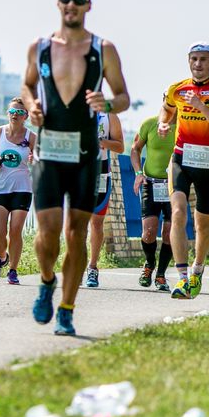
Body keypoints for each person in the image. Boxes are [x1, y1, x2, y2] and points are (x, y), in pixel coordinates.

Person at [21, 0, 129, 336]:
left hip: (85, 154)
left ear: (88, 6)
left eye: (79, 0)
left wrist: (107, 104)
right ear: (58, 3)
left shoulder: (103, 49)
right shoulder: (39, 47)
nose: (72, 5)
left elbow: (123, 96)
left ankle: (66, 309)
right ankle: (47, 280)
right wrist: (32, 105)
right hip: (48, 152)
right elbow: (27, 85)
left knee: (76, 233)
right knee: (48, 232)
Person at [160, 42, 209, 299]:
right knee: (178, 213)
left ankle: (197, 270)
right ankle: (182, 278)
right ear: (188, 61)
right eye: (194, 58)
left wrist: (202, 107)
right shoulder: (177, 89)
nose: (198, 63)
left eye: (204, 59)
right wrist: (162, 123)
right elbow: (166, 110)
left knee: (202, 225)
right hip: (181, 159)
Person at [0, 97, 34, 285]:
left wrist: (34, 159)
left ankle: (13, 270)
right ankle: (2, 257)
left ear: (26, 116)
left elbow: (39, 159)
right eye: (12, 112)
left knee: (15, 230)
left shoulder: (31, 137)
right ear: (7, 114)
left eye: (19, 112)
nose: (15, 115)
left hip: (22, 188)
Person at [131, 114, 175, 290]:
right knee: (148, 231)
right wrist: (138, 173)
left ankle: (161, 275)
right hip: (151, 183)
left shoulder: (184, 125)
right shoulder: (149, 124)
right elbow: (135, 149)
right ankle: (150, 263)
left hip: (174, 185)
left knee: (169, 233)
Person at [82, 110, 123, 288]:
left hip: (101, 173)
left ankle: (92, 267)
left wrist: (100, 141)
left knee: (96, 224)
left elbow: (120, 147)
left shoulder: (109, 115)